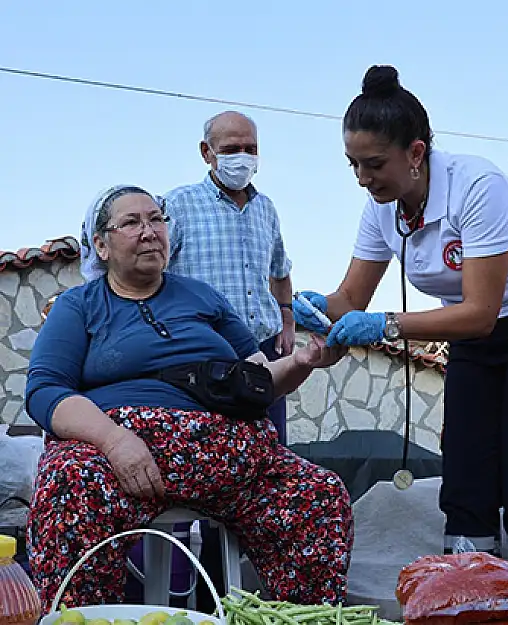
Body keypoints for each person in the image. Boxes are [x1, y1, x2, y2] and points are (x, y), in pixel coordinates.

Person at [24, 185, 353, 606]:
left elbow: (256, 379)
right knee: (69, 483)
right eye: (131, 222)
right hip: (119, 458)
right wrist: (115, 440)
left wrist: (303, 361)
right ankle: (84, 616)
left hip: (230, 456)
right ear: (101, 246)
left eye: (156, 219)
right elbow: (46, 390)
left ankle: (308, 616)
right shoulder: (80, 305)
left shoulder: (203, 297)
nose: (149, 231)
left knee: (318, 493)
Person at [293, 65, 508, 583]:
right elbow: (350, 298)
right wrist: (322, 311)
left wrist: (384, 325)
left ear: (416, 152)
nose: (363, 178)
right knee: (465, 477)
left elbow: (482, 312)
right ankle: (468, 587)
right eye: (353, 165)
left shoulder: (479, 186)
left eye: (374, 164)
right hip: (470, 339)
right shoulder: (381, 208)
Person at [163, 110, 295, 445]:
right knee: (212, 454)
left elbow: (280, 272)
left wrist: (287, 317)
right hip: (205, 354)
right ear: (207, 153)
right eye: (232, 149)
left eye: (251, 149)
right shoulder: (178, 205)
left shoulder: (266, 208)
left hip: (265, 354)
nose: (243, 157)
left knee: (270, 451)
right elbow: (153, 275)